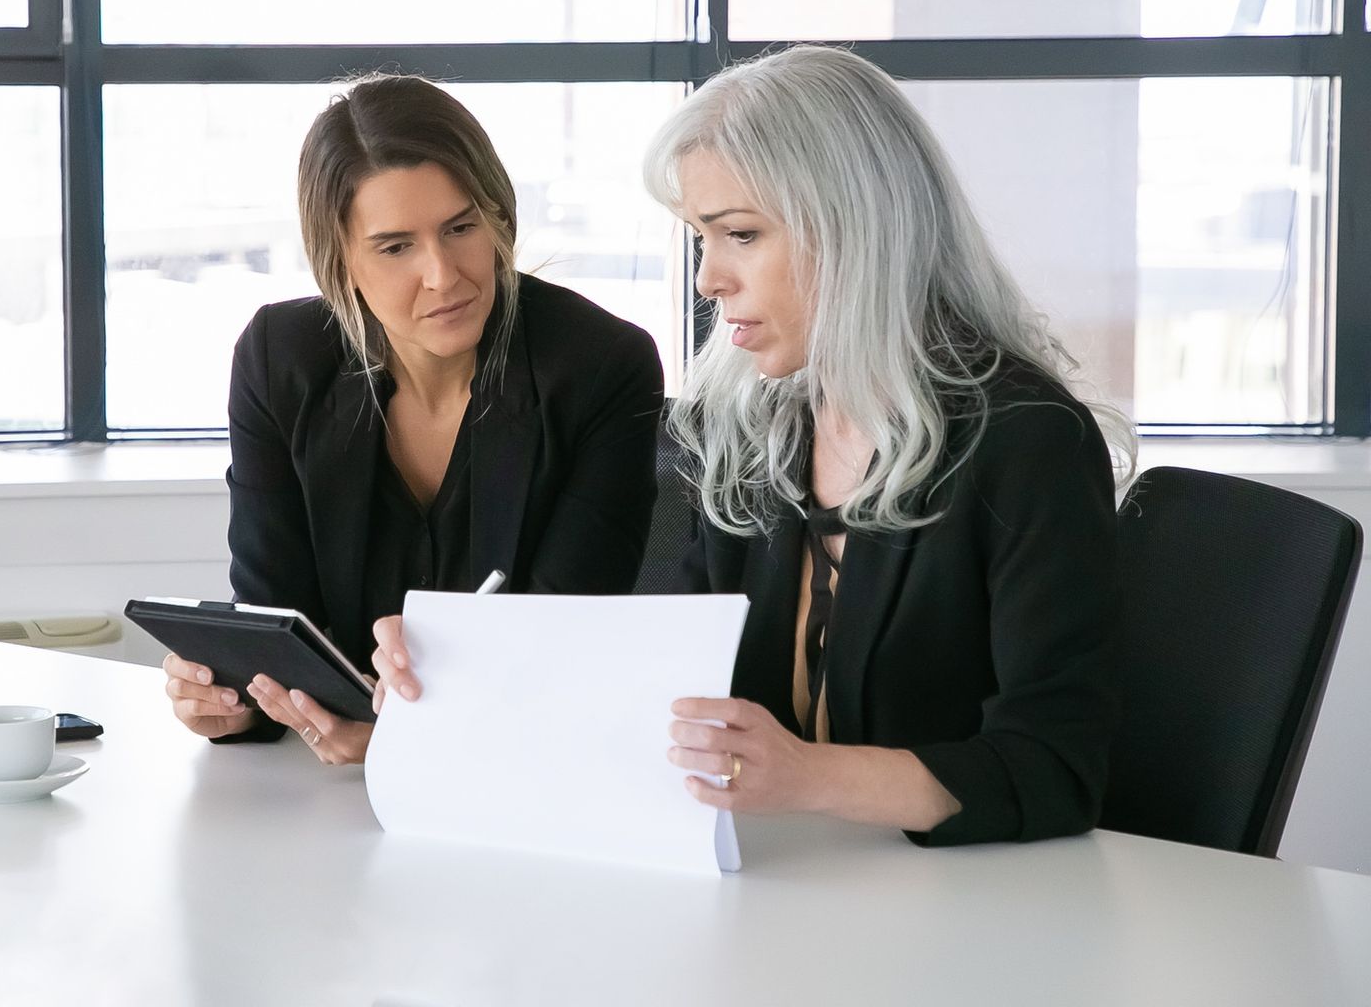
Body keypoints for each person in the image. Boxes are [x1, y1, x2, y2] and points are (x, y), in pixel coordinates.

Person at [374, 45, 1135, 845]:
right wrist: (456, 675)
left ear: (856, 232)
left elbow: (1056, 770)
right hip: (787, 899)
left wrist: (808, 777)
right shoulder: (754, 429)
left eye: (739, 234)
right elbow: (664, 694)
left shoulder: (1028, 443)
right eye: (703, 239)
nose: (709, 280)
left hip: (970, 918)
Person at [163, 75, 666, 763]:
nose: (443, 274)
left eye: (461, 228)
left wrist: (405, 741)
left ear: (498, 218)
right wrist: (233, 706)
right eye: (396, 246)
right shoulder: (281, 361)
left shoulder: (603, 366)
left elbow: (558, 644)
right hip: (323, 805)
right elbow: (278, 625)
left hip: (532, 773)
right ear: (340, 260)